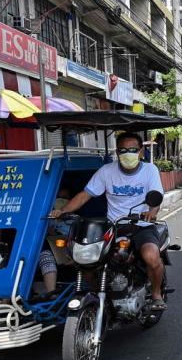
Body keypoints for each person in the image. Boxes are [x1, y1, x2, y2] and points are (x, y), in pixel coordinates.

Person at [50, 133, 167, 310]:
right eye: (123, 150)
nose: (128, 154)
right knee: (87, 261)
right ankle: (102, 297)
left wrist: (151, 212)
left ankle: (157, 294)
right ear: (117, 152)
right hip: (114, 226)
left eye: (133, 150)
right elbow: (85, 195)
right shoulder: (106, 171)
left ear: (141, 152)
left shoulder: (150, 170)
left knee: (151, 257)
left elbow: (156, 197)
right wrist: (63, 211)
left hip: (142, 226)